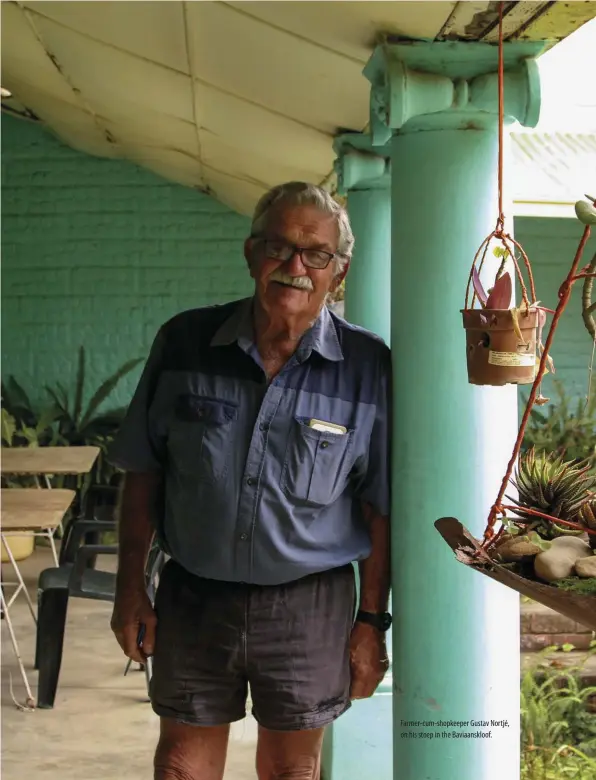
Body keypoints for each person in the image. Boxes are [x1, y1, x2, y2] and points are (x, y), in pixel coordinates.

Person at [108, 181, 392, 780]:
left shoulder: (368, 368)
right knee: (179, 768)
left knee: (293, 773)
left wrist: (371, 623)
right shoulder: (185, 342)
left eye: (316, 254)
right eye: (278, 247)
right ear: (249, 253)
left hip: (309, 605)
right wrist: (129, 588)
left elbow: (379, 508)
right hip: (193, 595)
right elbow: (143, 471)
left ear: (338, 272)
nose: (295, 266)